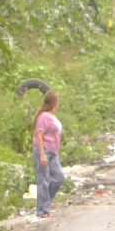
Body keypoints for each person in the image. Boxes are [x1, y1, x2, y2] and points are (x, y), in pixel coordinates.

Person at [32, 90, 65, 219]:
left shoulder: (52, 117)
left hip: (53, 152)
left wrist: (57, 153)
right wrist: (42, 155)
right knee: (43, 180)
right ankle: (42, 210)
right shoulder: (44, 116)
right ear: (55, 103)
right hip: (44, 150)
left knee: (59, 177)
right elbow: (39, 135)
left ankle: (45, 204)